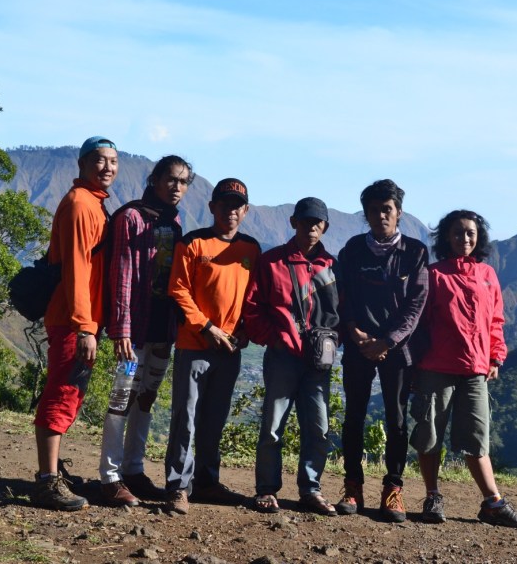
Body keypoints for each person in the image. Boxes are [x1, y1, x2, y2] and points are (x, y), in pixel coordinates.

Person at [409, 210, 517, 529]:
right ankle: (433, 496)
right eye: (458, 232)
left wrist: (495, 357)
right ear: (446, 237)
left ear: (478, 238)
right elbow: (418, 323)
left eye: (470, 233)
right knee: (429, 434)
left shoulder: (487, 274)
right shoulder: (433, 275)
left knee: (477, 437)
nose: (464, 238)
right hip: (435, 366)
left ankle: (493, 503)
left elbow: (495, 320)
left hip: (475, 368)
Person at [98, 155, 193, 507]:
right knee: (122, 398)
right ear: (154, 179)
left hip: (162, 327)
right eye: (171, 179)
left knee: (147, 399)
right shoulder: (131, 218)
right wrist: (121, 329)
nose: (177, 187)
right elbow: (121, 275)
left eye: (183, 182)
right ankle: (109, 476)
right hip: (133, 329)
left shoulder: (174, 221)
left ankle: (134, 469)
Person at [163, 178, 261, 515]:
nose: (230, 211)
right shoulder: (193, 243)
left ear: (245, 211)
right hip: (195, 344)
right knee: (185, 417)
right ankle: (178, 486)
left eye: (237, 206)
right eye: (224, 204)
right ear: (212, 207)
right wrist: (207, 327)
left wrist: (246, 329)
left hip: (229, 350)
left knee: (214, 419)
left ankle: (206, 482)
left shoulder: (251, 249)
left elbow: (254, 298)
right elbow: (178, 290)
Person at [32, 136, 118, 511]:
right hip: (72, 319)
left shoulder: (93, 204)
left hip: (78, 318)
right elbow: (78, 269)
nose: (108, 168)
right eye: (99, 161)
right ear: (82, 165)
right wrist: (85, 326)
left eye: (113, 162)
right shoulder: (82, 205)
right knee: (63, 393)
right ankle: (47, 481)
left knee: (69, 391)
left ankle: (52, 472)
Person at [335, 180, 428, 521]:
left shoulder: (415, 253)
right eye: (373, 210)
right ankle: (353, 486)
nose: (380, 216)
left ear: (398, 213)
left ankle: (394, 489)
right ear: (366, 214)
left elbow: (416, 304)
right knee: (354, 417)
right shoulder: (353, 249)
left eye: (386, 209)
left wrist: (387, 341)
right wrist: (355, 333)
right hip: (359, 346)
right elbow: (341, 295)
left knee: (397, 419)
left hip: (397, 350)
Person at [243, 197, 340, 516]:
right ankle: (266, 489)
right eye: (306, 221)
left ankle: (311, 489)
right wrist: (275, 337)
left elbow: (342, 312)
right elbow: (253, 307)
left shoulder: (331, 267)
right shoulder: (272, 262)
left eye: (318, 223)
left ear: (324, 227)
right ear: (293, 222)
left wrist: (331, 342)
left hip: (317, 364)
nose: (312, 227)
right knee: (273, 426)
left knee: (319, 427)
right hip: (282, 357)